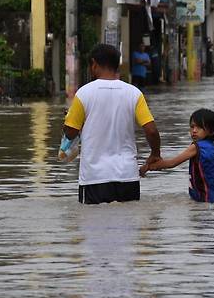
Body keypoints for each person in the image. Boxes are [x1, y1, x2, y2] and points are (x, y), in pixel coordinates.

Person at [63, 43, 161, 204]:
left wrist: (67, 123)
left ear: (94, 64)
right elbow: (151, 130)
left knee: (92, 226)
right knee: (128, 225)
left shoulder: (83, 94)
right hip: (128, 176)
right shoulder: (134, 93)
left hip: (94, 178)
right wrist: (155, 154)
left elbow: (70, 133)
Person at [141, 108, 214, 203]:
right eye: (192, 127)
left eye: (199, 127)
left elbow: (172, 163)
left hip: (205, 202)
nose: (194, 131)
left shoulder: (196, 147)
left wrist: (148, 166)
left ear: (211, 131)